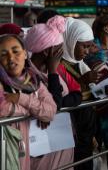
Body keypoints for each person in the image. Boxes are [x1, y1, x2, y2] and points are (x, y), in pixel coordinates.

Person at [24, 15, 81, 169]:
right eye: (58, 48)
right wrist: (53, 72)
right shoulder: (27, 75)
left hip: (61, 143)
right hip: (42, 151)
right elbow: (53, 105)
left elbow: (77, 96)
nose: (61, 51)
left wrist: (60, 103)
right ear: (47, 51)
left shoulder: (56, 70)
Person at [0, 34, 57, 170]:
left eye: (16, 51)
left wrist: (21, 99)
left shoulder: (35, 82)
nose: (11, 58)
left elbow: (50, 112)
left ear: (25, 54)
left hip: (24, 150)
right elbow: (2, 108)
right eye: (3, 54)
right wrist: (34, 111)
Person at [61, 17, 99, 170]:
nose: (87, 51)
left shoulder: (81, 65)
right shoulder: (58, 65)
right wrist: (82, 82)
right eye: (84, 46)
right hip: (71, 128)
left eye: (90, 46)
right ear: (72, 41)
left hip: (86, 126)